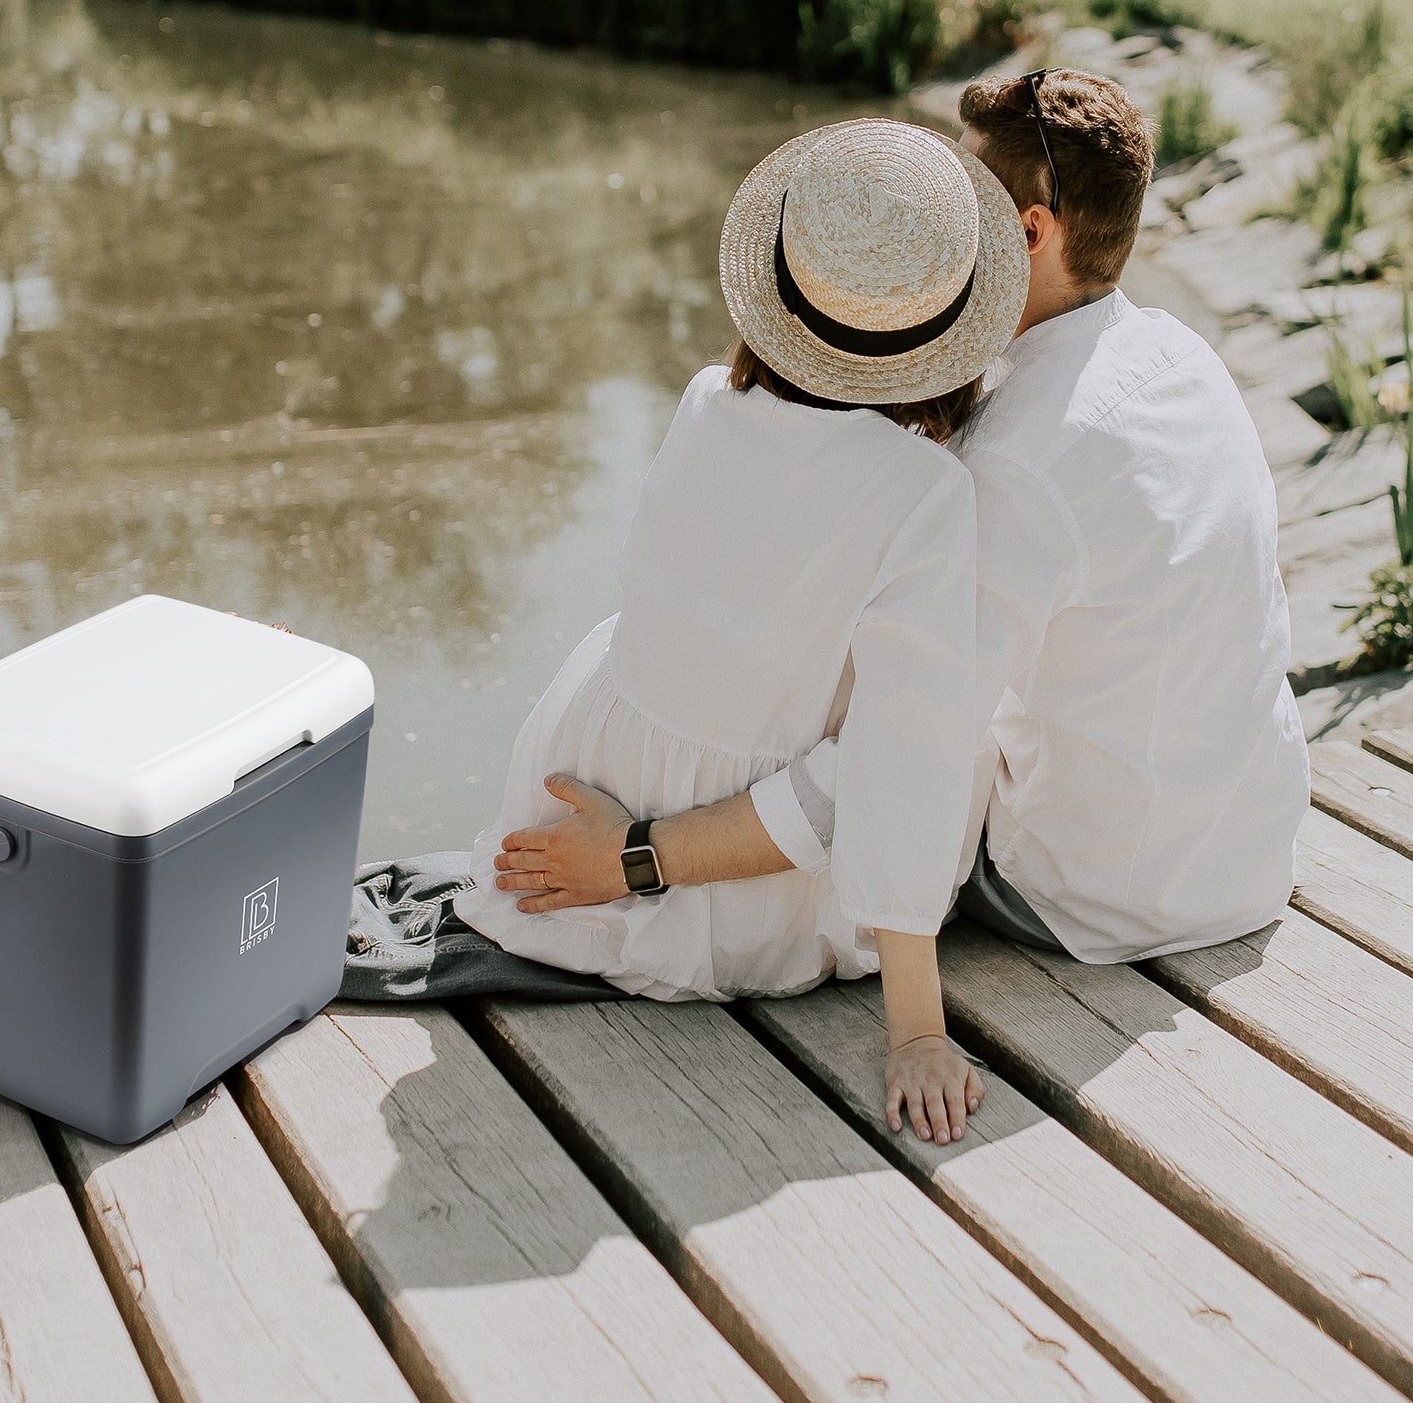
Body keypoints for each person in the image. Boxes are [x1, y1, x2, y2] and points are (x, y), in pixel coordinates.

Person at [491, 69, 1311, 979]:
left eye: (960, 198)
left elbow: (889, 766)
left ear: (1030, 232)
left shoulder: (1009, 466)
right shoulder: (1182, 357)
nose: (930, 216)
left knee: (864, 698)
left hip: (1092, 898)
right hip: (1247, 855)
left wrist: (639, 856)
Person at [343, 117, 1034, 1147]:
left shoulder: (709, 400)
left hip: (572, 786)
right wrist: (917, 1031)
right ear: (949, 327)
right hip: (724, 903)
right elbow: (904, 764)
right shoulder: (925, 493)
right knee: (963, 723)